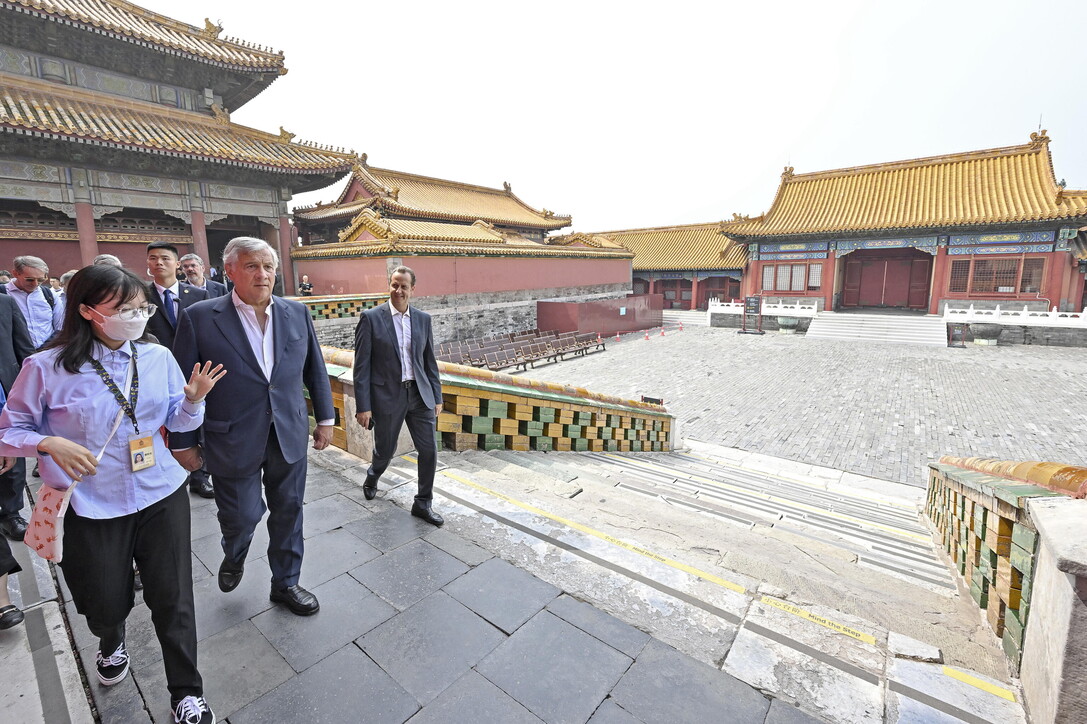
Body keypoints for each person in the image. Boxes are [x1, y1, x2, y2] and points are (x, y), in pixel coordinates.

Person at [0, 264, 225, 724]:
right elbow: (8, 430)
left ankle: (186, 691)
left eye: (141, 308)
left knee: (173, 595)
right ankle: (110, 638)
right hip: (90, 503)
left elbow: (176, 425)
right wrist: (47, 442)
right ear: (86, 311)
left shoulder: (157, 357)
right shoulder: (45, 368)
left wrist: (193, 400)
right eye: (124, 309)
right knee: (103, 599)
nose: (137, 317)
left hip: (160, 491)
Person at [171, 237, 334, 616]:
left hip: (288, 432)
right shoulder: (200, 318)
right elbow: (181, 385)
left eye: (268, 267)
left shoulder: (296, 314)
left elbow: (316, 369)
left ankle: (286, 582)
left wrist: (324, 419)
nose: (262, 275)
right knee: (243, 514)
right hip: (231, 436)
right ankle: (235, 550)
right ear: (229, 271)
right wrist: (182, 442)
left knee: (289, 510)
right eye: (251, 266)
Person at [352, 266, 444, 526]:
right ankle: (373, 475)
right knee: (385, 450)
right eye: (394, 285)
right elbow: (361, 367)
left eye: (404, 286)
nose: (398, 291)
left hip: (419, 394)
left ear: (413, 289)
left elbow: (429, 362)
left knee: (429, 451)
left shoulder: (423, 319)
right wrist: (364, 406)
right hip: (387, 397)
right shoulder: (371, 318)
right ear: (389, 286)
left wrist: (437, 396)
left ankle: (423, 503)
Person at [144, 242, 212, 499]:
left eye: (164, 258)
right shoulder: (141, 295)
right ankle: (167, 470)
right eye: (153, 259)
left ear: (177, 264)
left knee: (196, 417)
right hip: (156, 369)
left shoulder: (197, 294)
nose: (158, 263)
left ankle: (199, 474)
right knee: (162, 418)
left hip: (193, 368)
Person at [0, 292, 34, 540]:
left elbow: (23, 348)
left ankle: (11, 513)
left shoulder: (5, 302)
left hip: (4, 391)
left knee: (11, 452)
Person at [5, 256, 64, 349]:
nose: (35, 284)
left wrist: (44, 350)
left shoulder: (49, 295)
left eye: (41, 280)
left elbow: (61, 328)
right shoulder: (4, 294)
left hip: (46, 354)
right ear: (15, 273)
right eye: (29, 279)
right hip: (14, 356)